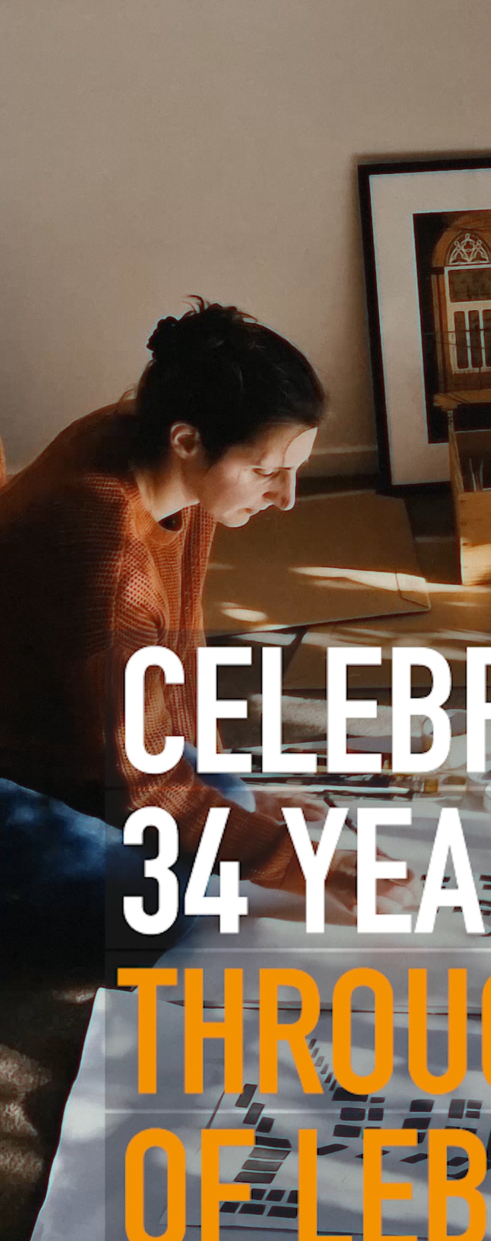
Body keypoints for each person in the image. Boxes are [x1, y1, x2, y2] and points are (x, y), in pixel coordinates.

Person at [0, 300, 354, 965]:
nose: (287, 498)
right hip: (20, 771)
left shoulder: (155, 450)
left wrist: (230, 793)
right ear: (188, 440)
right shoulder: (104, 556)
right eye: (267, 471)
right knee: (168, 903)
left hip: (79, 731)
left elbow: (179, 652)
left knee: (229, 803)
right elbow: (147, 785)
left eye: (295, 468)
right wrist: (308, 864)